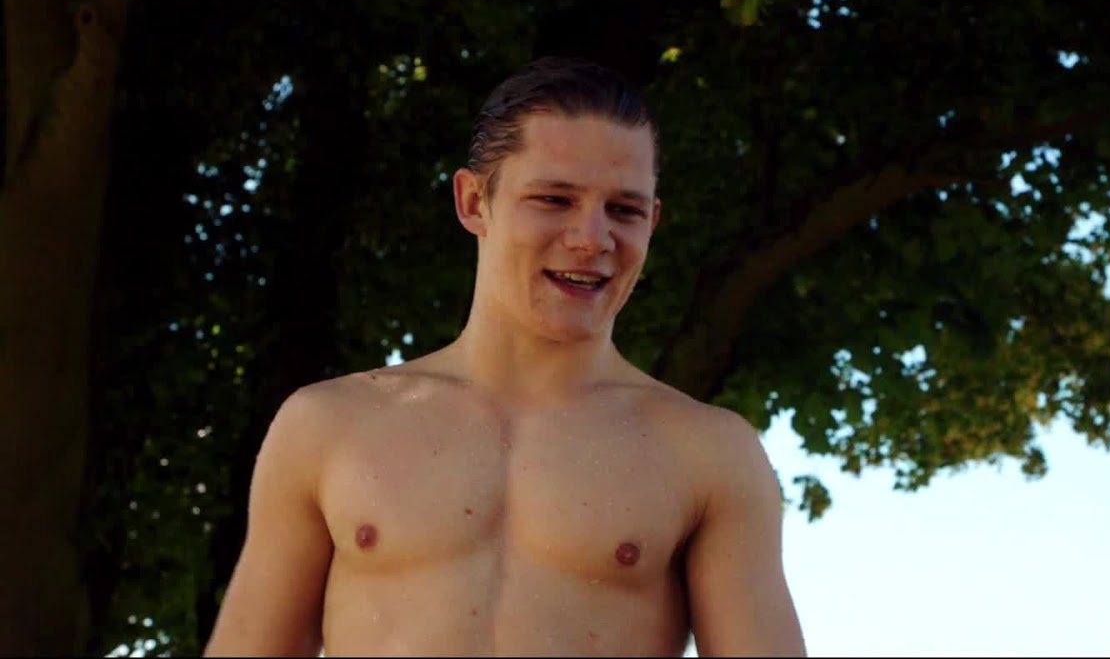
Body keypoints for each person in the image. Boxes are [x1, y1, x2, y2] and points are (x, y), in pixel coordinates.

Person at [203, 56, 806, 657]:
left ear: (652, 220)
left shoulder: (707, 453)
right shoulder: (327, 426)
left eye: (623, 210)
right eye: (554, 199)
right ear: (473, 201)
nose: (592, 239)